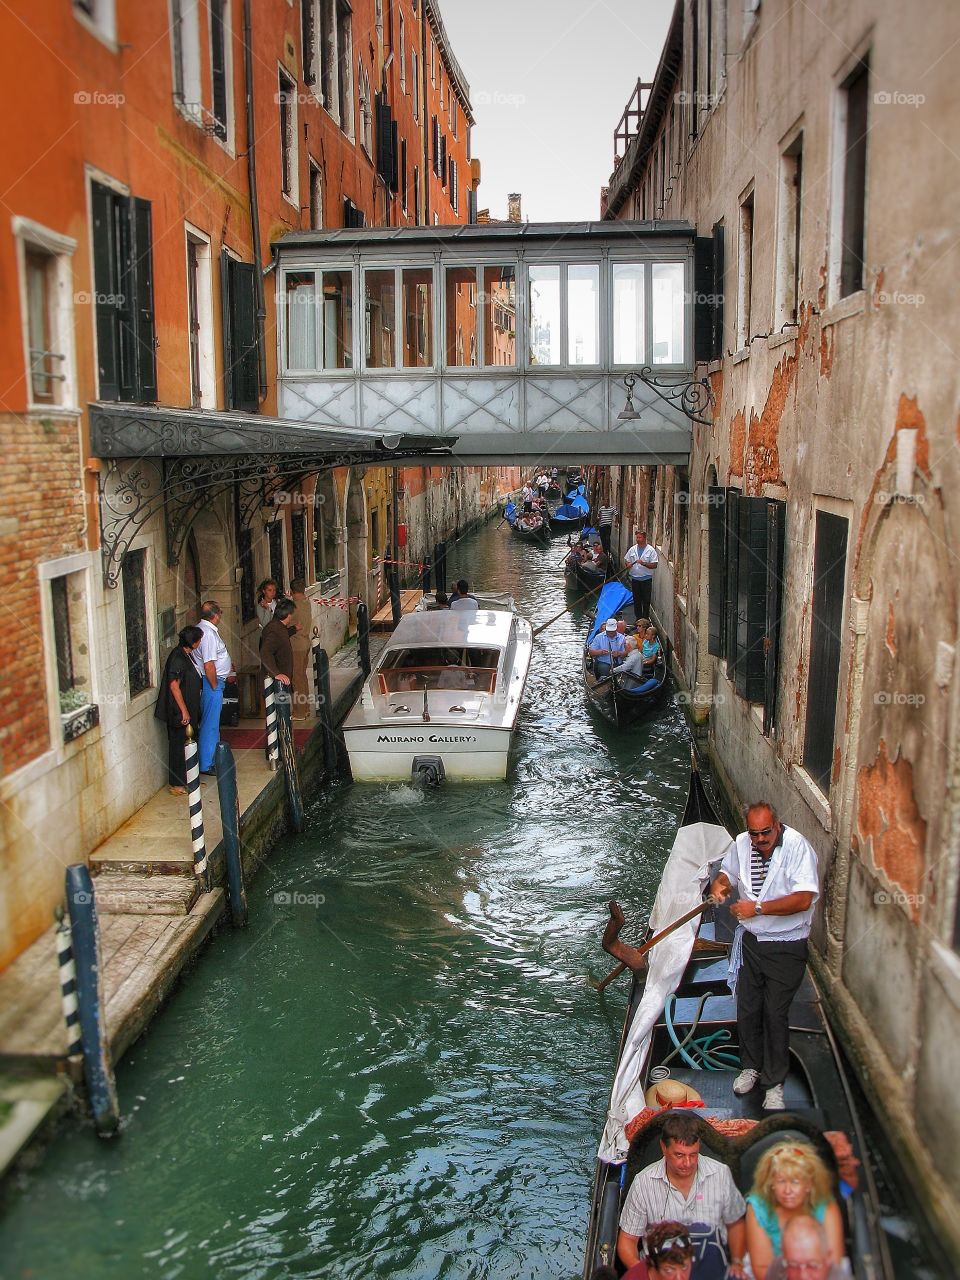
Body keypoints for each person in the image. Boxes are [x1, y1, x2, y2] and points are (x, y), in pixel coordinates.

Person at [709, 804, 819, 1111]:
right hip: (752, 945)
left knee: (774, 1013)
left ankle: (774, 1084)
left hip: (786, 945)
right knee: (748, 1008)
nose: (760, 839)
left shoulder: (798, 848)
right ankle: (751, 1067)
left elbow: (804, 898)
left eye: (765, 832)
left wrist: (757, 908)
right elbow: (727, 873)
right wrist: (720, 887)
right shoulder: (742, 843)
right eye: (754, 833)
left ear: (777, 825)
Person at [617, 1111, 747, 1279]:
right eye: (679, 1155)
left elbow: (736, 1223)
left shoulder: (720, 1174)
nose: (687, 1163)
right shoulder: (643, 1183)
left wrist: (736, 1262)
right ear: (664, 1148)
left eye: (693, 1155)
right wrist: (646, 1275)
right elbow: (627, 1240)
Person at [745, 1142, 845, 1280]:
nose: (788, 1190)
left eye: (795, 1182)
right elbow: (763, 1270)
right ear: (771, 1184)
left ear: (809, 1184)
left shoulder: (826, 1206)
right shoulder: (758, 1207)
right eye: (781, 1181)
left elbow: (833, 1264)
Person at [154, 626, 204, 794]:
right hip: (178, 711)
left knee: (188, 743)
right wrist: (184, 711)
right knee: (177, 745)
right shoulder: (178, 658)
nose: (201, 642)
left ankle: (188, 779)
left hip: (189, 708)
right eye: (199, 639)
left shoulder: (186, 656)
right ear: (193, 642)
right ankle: (177, 784)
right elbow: (174, 686)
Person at [193, 601, 234, 776]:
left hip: (213, 682)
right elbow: (209, 665)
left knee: (212, 723)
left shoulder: (203, 630)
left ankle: (209, 760)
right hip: (212, 683)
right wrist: (215, 686)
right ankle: (206, 764)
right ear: (216, 615)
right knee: (210, 724)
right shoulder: (208, 634)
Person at [765, 1215, 848, 1280]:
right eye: (793, 1265)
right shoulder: (776, 1269)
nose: (803, 1276)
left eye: (812, 1266)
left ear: (828, 1257)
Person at [288, 578, 313, 721]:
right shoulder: (306, 603)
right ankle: (306, 708)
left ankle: (299, 712)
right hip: (305, 643)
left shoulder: (294, 607)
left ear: (292, 591)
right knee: (302, 677)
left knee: (296, 679)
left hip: (296, 645)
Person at [260, 599, 297, 690]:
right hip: (277, 683)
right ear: (288, 615)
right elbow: (265, 651)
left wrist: (294, 629)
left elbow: (281, 639)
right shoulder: (275, 629)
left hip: (281, 679)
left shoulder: (277, 625)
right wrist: (276, 673)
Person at [624, 530, 659, 620]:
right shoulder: (632, 549)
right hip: (635, 579)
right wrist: (628, 564)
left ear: (644, 538)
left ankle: (645, 619)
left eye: (640, 537)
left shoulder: (651, 550)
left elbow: (654, 565)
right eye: (637, 537)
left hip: (646, 580)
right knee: (636, 600)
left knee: (646, 600)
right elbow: (627, 560)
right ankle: (638, 618)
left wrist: (644, 563)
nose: (638, 539)